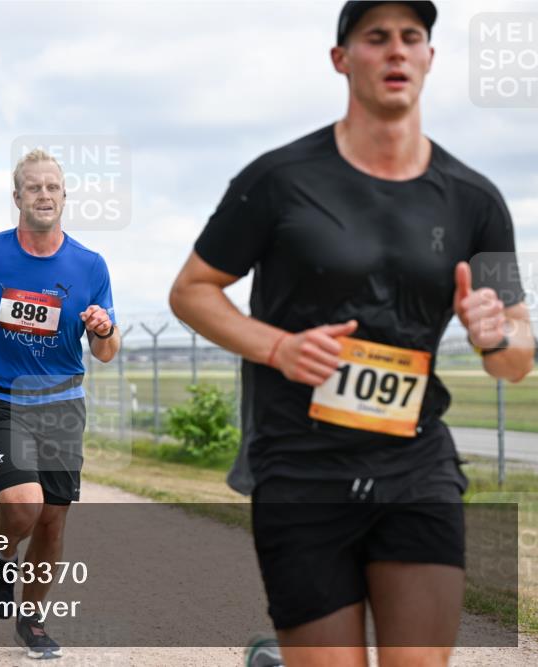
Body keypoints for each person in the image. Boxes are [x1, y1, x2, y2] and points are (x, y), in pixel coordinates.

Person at [169, 3, 535, 666]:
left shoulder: (477, 201)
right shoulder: (278, 181)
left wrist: (497, 334)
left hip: (416, 465)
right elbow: (191, 289)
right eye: (376, 38)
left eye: (411, 38)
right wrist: (278, 346)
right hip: (302, 467)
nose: (396, 51)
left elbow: (515, 353)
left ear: (430, 58)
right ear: (341, 59)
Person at [0, 148, 119, 659]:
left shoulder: (90, 265)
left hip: (62, 405)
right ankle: (2, 552)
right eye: (33, 187)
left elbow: (104, 352)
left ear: (63, 196)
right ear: (16, 197)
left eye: (52, 187)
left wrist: (104, 329)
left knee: (53, 520)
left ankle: (31, 620)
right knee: (24, 505)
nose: (44, 195)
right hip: (0, 399)